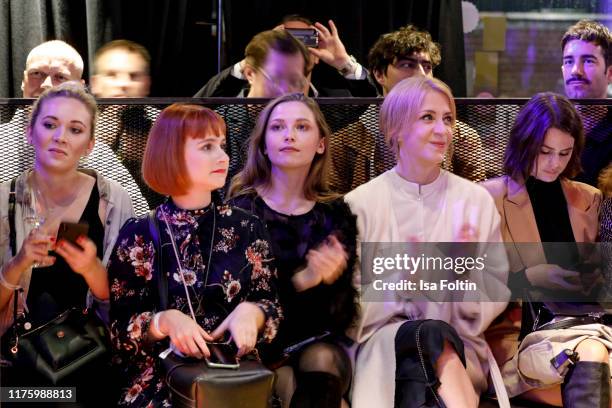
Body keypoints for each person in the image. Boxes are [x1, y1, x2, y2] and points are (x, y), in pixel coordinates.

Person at [344, 76, 509, 408]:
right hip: (382, 347)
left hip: (458, 344)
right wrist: (404, 284)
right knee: (423, 337)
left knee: (434, 337)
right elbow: (352, 301)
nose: (443, 130)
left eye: (448, 119)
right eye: (427, 118)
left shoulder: (474, 201)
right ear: (396, 129)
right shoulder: (360, 203)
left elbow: (495, 289)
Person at [107, 103, 281, 406]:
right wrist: (164, 321)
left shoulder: (246, 226)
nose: (223, 157)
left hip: (234, 376)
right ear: (172, 154)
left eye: (222, 146)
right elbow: (120, 331)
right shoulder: (140, 232)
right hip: (167, 379)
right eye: (207, 147)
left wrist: (253, 314)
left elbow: (272, 305)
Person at [0, 82, 135, 404]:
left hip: (92, 356)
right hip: (18, 359)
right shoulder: (3, 200)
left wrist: (91, 269)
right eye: (49, 125)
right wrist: (17, 264)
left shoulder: (112, 201)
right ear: (30, 132)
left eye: (75, 129)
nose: (60, 137)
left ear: (89, 144)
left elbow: (129, 304)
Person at [228, 93, 358, 408]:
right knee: (289, 381)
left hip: (317, 340)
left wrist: (327, 281)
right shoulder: (239, 210)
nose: (289, 135)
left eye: (302, 127)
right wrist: (304, 280)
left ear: (321, 144)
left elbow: (341, 314)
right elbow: (234, 297)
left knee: (322, 361)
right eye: (277, 128)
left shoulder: (335, 212)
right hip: (254, 344)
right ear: (263, 144)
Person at [481, 93, 605, 407]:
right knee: (591, 351)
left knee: (593, 351)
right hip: (522, 336)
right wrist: (530, 276)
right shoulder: (488, 199)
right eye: (545, 151)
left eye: (564, 153)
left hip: (586, 323)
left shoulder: (588, 199)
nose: (554, 163)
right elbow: (471, 284)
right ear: (525, 144)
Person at [329, 25, 485, 193]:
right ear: (379, 75)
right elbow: (331, 208)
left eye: (427, 67)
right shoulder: (342, 143)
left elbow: (475, 204)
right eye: (407, 65)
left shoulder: (461, 138)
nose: (421, 75)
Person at [0, 40, 149, 215]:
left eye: (60, 77)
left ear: (79, 87)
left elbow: (138, 216)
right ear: (23, 81)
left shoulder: (97, 154)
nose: (46, 84)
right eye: (37, 73)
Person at [194, 15, 376, 98]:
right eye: (286, 40)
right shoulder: (233, 106)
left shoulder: (330, 107)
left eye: (304, 39)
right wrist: (256, 56)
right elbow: (195, 109)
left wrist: (344, 63)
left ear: (317, 57)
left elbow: (372, 104)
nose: (294, 48)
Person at [91, 39, 164, 208]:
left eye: (134, 76)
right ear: (95, 83)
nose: (123, 84)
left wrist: (145, 162)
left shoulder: (163, 124)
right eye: (112, 75)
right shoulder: (78, 124)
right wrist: (99, 144)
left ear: (147, 84)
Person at [561, 20, 612, 186]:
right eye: (569, 61)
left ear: (610, 73)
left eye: (588, 61)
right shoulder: (547, 125)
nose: (576, 70)